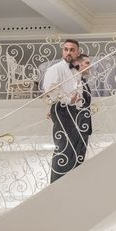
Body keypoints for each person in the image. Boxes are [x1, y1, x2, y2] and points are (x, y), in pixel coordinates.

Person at [43, 39, 83, 183]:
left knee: (73, 148)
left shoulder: (76, 71)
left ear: (77, 52)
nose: (68, 52)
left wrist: (76, 103)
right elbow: (50, 89)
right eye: (66, 49)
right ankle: (56, 183)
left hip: (72, 111)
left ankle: (69, 181)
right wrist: (66, 101)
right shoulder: (56, 69)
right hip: (63, 109)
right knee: (63, 147)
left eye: (72, 50)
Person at [73, 53, 93, 162]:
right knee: (73, 159)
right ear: (78, 64)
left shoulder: (83, 81)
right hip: (77, 125)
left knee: (80, 159)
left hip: (84, 126)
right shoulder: (73, 80)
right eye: (87, 63)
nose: (90, 66)